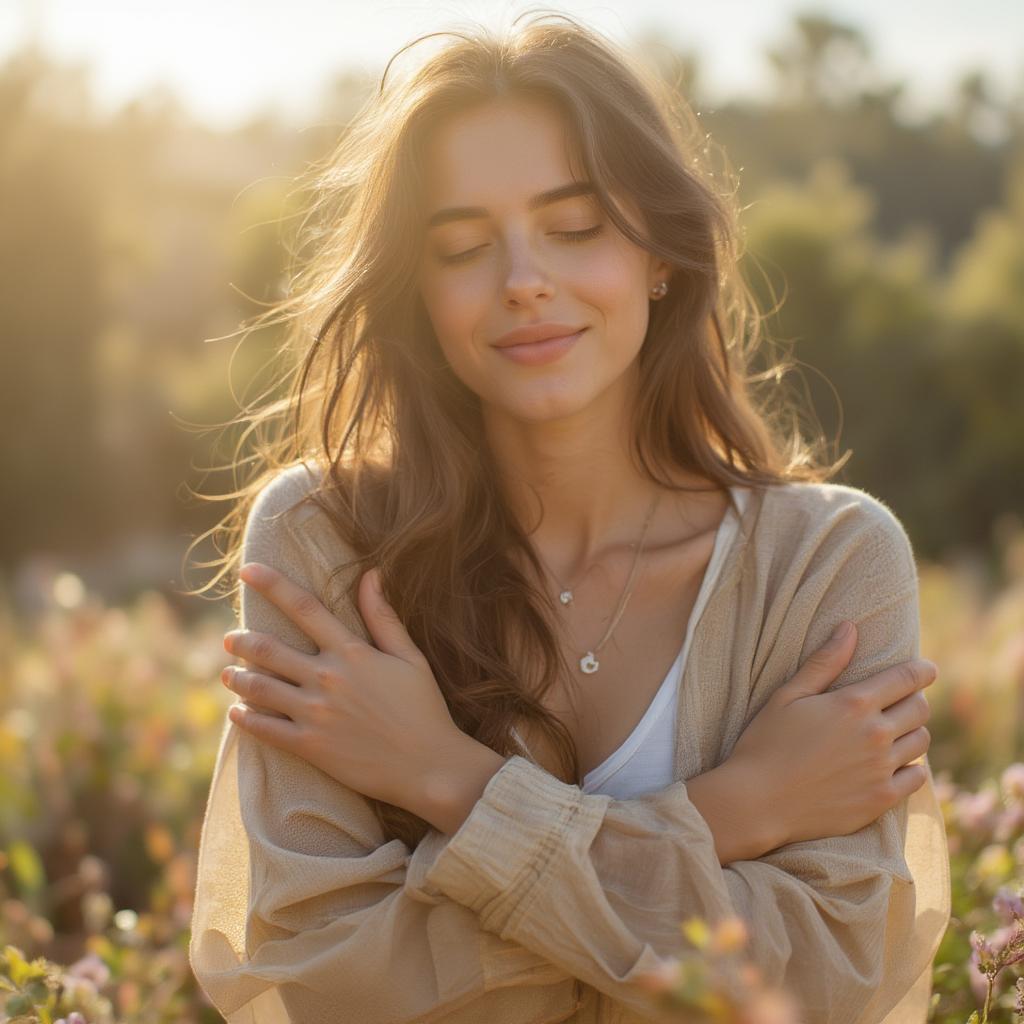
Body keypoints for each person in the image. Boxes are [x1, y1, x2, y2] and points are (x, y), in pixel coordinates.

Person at [186, 12, 951, 1024]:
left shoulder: (829, 564)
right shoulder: (325, 545)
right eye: (462, 246)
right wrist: (736, 814)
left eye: (576, 225)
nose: (523, 281)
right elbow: (329, 978)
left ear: (661, 253)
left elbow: (817, 986)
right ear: (418, 289)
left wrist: (446, 779)